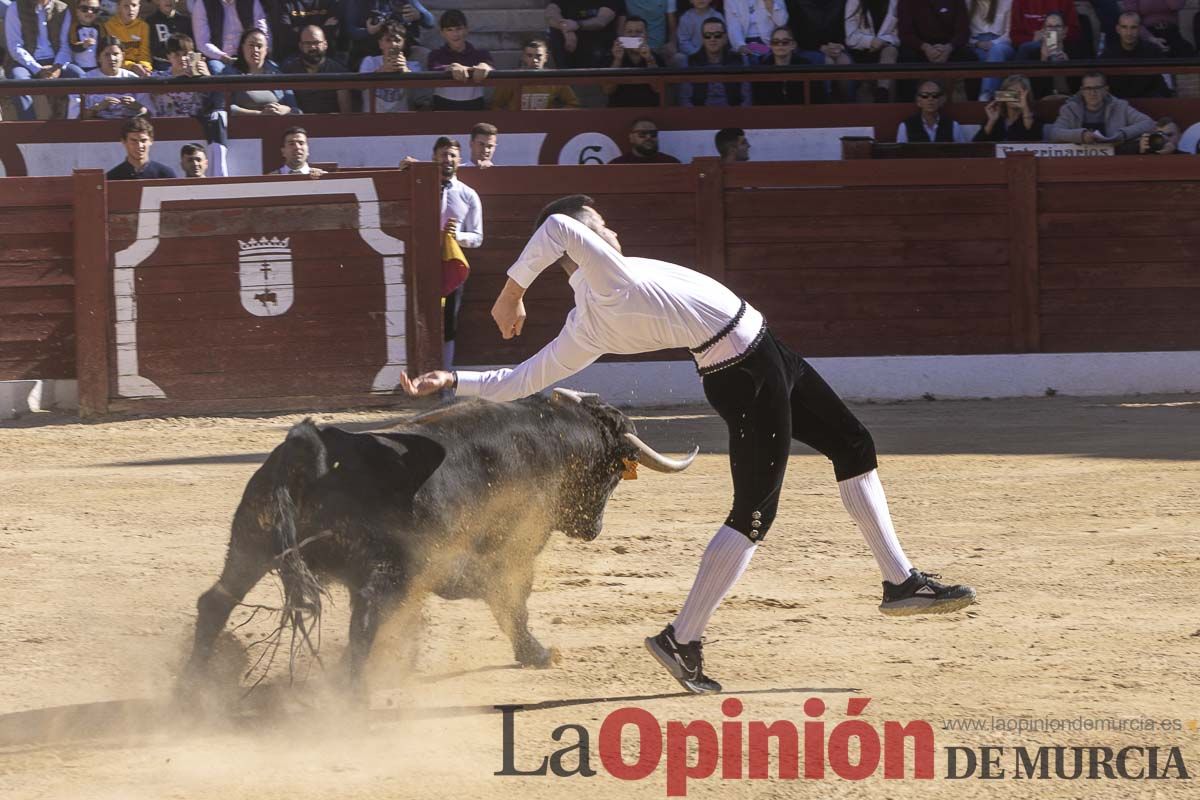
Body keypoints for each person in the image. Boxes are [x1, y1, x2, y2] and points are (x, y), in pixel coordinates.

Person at [397, 194, 978, 694]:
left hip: (765, 356)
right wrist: (512, 291)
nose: (613, 230)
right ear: (583, 244)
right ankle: (682, 639)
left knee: (853, 444)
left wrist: (452, 379)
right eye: (600, 225)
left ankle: (900, 581)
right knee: (753, 515)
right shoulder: (605, 283)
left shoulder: (590, 318)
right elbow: (555, 228)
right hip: (745, 375)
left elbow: (517, 381)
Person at [433, 136, 483, 369]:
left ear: (460, 160)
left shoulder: (468, 195)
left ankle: (444, 382)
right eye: (443, 154)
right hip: (420, 264)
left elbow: (478, 237)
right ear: (434, 157)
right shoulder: (418, 185)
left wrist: (457, 237)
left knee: (448, 324)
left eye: (452, 155)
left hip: (451, 265)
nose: (448, 159)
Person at [150, 33, 229, 176]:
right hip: (167, 133)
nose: (182, 59)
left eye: (186, 54)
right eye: (177, 54)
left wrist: (207, 79)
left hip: (197, 130)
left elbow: (217, 102)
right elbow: (151, 90)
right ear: (168, 56)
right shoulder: (158, 77)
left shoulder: (200, 76)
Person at [5, 0, 87, 120]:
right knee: (19, 81)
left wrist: (57, 66)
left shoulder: (62, 9)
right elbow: (15, 46)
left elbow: (64, 45)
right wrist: (37, 69)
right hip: (25, 63)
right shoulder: (15, 7)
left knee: (80, 76)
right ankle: (29, 127)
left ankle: (75, 124)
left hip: (56, 60)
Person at [1044, 70, 1155, 147]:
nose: (1093, 93)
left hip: (1113, 159)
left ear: (1106, 89)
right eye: (1088, 88)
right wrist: (1081, 136)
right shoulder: (1069, 109)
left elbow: (1148, 123)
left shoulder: (1120, 106)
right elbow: (1055, 133)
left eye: (1097, 88)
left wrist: (1122, 134)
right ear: (1082, 90)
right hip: (1078, 159)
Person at [426, 9, 492, 110]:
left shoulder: (481, 54)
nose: (455, 34)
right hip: (443, 105)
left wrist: (486, 66)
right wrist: (450, 68)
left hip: (474, 105)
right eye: (449, 30)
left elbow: (491, 66)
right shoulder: (435, 55)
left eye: (459, 29)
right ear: (442, 33)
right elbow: (433, 68)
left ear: (466, 29)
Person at [491, 37, 580, 110]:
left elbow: (573, 104)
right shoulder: (511, 80)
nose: (535, 60)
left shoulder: (555, 79)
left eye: (539, 56)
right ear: (524, 57)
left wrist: (554, 115)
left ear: (546, 57)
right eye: (530, 56)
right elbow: (495, 105)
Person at [679, 18, 751, 108]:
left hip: (733, 115)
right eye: (707, 35)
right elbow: (685, 99)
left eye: (717, 35)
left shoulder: (740, 60)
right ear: (702, 39)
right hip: (700, 115)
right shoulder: (690, 62)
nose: (712, 39)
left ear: (725, 38)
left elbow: (746, 98)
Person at [227, 27, 300, 114]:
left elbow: (295, 109)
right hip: (244, 124)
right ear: (242, 47)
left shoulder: (277, 72)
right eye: (251, 45)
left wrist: (286, 110)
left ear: (266, 50)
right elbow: (223, 107)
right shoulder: (230, 72)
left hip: (279, 123)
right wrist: (259, 114)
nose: (255, 50)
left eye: (259, 46)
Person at [281, 24, 352, 113]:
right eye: (307, 43)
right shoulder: (289, 70)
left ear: (325, 44)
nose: (312, 47)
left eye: (316, 42)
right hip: (299, 123)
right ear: (300, 46)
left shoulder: (338, 70)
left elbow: (345, 111)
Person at [1099, 12, 1171, 98]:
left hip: (1148, 104)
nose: (1129, 33)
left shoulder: (1153, 51)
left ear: (1140, 29)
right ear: (1118, 29)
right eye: (1124, 27)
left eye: (1133, 27)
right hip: (1119, 106)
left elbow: (1164, 85)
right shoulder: (1108, 55)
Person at [79, 36, 151, 118]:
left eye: (116, 54)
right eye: (107, 55)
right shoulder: (86, 79)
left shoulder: (133, 78)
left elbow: (148, 113)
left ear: (123, 56)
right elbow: (79, 116)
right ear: (98, 58)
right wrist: (98, 107)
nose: (112, 58)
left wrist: (136, 105)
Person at [190, 0, 270, 74]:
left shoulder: (251, 2)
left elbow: (261, 32)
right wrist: (222, 57)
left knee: (273, 70)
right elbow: (202, 42)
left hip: (248, 54)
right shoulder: (203, 3)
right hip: (219, 59)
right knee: (218, 71)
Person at [357, 19, 420, 111]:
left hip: (400, 119)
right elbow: (360, 86)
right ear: (380, 44)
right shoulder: (369, 61)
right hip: (373, 119)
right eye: (388, 40)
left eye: (397, 40)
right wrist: (382, 70)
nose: (393, 44)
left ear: (404, 43)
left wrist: (406, 72)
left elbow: (418, 90)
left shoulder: (413, 65)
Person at [603, 15, 666, 107]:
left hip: (648, 111)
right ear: (623, 35)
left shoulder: (655, 58)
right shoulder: (611, 57)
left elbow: (658, 89)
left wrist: (649, 60)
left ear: (646, 36)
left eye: (639, 32)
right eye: (629, 32)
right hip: (618, 111)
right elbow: (607, 90)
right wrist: (617, 60)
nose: (633, 35)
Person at [844, 0, 899, 102]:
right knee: (866, 87)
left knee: (891, 51)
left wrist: (883, 41)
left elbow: (897, 34)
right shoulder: (854, 2)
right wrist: (870, 41)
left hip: (885, 48)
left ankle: (882, 91)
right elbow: (850, 37)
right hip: (861, 51)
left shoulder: (894, 2)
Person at [752, 24, 816, 105]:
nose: (780, 45)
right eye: (775, 42)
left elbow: (816, 97)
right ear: (770, 46)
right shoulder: (762, 69)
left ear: (793, 45)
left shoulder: (806, 66)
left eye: (785, 42)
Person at [545, 0, 619, 69]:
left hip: (599, 56)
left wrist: (578, 25)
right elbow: (550, 14)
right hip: (569, 55)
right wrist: (566, 30)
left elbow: (601, 21)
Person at [972, 73, 1041, 140]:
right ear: (1003, 95)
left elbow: (1035, 141)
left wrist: (1025, 110)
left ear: (1026, 95)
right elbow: (976, 145)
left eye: (1019, 93)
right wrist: (991, 121)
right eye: (1010, 92)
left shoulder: (1034, 119)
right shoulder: (997, 118)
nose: (1014, 96)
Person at [895, 78, 968, 141]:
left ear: (941, 100)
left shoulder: (954, 126)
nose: (930, 99)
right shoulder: (905, 126)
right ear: (918, 101)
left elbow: (962, 153)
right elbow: (900, 154)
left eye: (935, 95)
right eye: (925, 96)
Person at [967, 0, 1013, 101]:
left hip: (1001, 43)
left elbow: (1009, 33)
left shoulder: (1007, 2)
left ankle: (986, 96)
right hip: (977, 43)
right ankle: (999, 99)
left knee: (996, 52)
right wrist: (976, 43)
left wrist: (994, 43)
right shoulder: (967, 2)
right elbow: (964, 32)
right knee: (979, 58)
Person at [107, 116, 177, 179]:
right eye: (134, 140)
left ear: (151, 141)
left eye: (143, 140)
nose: (139, 145)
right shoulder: (112, 178)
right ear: (124, 142)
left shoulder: (165, 175)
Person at [101, 0, 153, 75]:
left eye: (134, 5)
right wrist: (131, 66)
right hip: (117, 67)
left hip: (139, 68)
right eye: (126, 6)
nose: (131, 9)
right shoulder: (108, 26)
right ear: (118, 7)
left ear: (139, 7)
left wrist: (145, 67)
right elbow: (110, 56)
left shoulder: (143, 26)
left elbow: (145, 53)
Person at [723, 0, 788, 59]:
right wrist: (740, 46)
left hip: (770, 42)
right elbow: (733, 26)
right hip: (744, 42)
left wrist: (769, 3)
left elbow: (781, 22)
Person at [608, 118, 682, 163]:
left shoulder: (671, 163)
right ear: (631, 137)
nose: (648, 137)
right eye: (642, 133)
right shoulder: (618, 165)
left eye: (653, 133)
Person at [147, 0, 193, 71]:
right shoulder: (150, 22)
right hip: (161, 63)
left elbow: (191, 47)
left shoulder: (186, 22)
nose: (168, 1)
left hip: (183, 62)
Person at [674, 0, 723, 65]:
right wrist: (697, 54)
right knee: (679, 57)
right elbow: (683, 41)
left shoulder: (718, 16)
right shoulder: (685, 18)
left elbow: (722, 38)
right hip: (693, 56)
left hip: (715, 55)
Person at [66, 0, 103, 73]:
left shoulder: (100, 27)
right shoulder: (74, 27)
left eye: (94, 10)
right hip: (79, 66)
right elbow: (72, 44)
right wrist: (83, 45)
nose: (89, 12)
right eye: (84, 9)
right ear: (77, 11)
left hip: (98, 66)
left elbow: (104, 44)